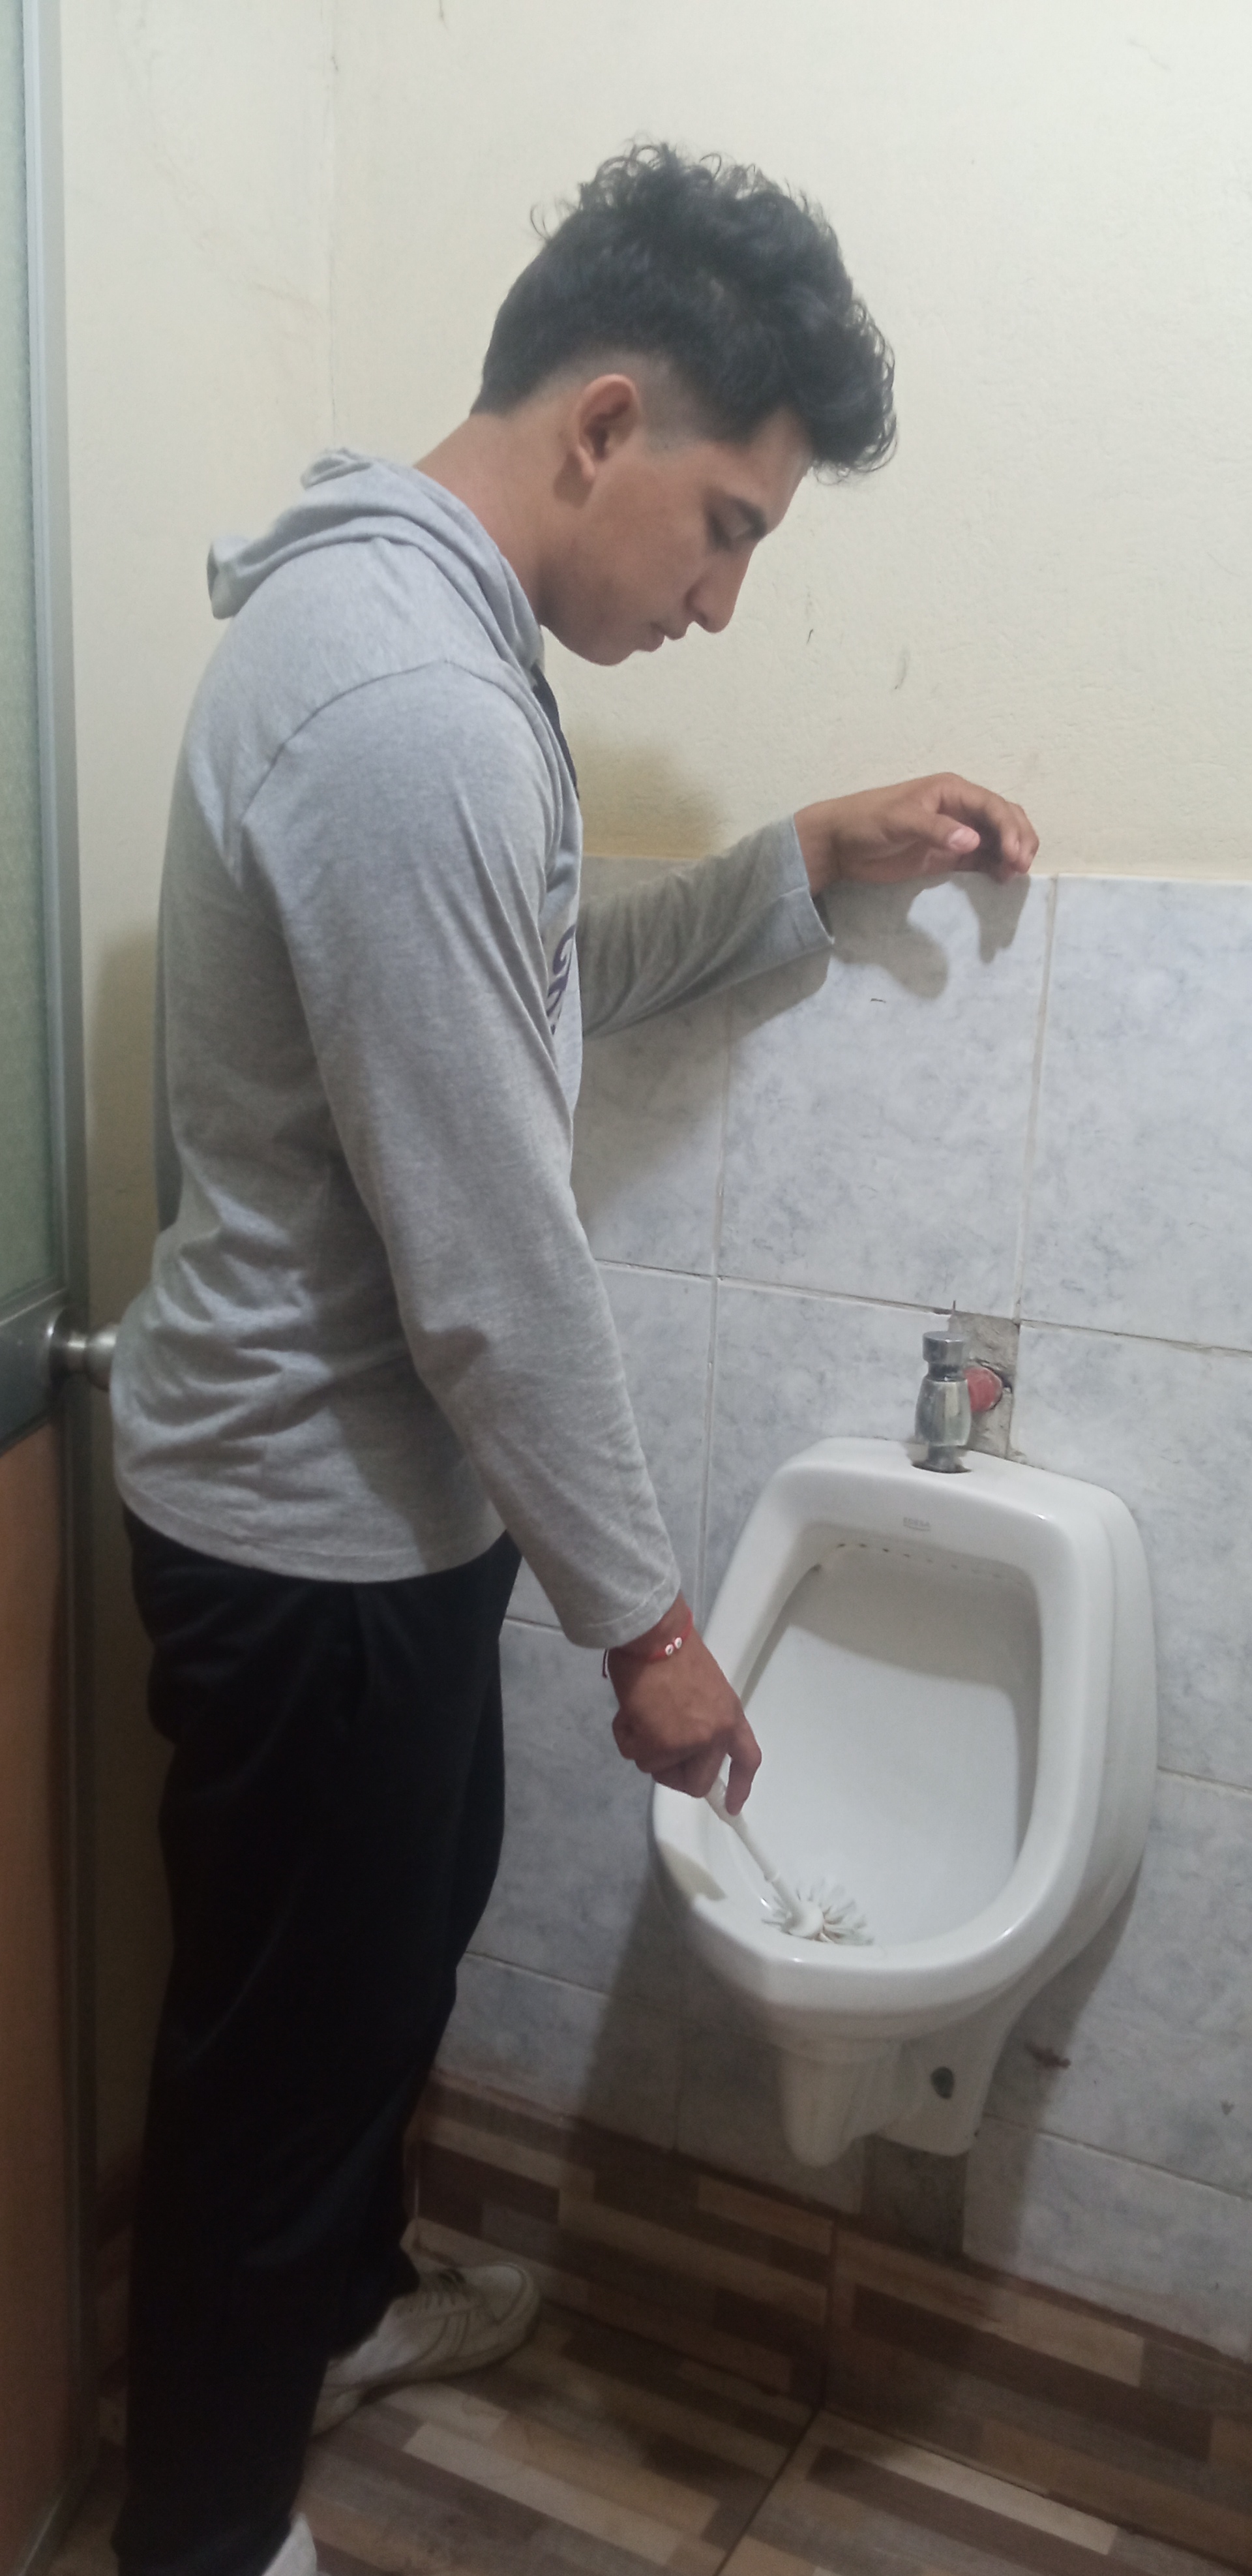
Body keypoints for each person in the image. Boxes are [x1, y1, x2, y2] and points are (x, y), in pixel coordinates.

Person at [108, 144, 1037, 2576]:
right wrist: (648, 1625)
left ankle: (338, 2313)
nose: (721, 603)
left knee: (365, 2001)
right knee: (276, 2081)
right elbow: (493, 1263)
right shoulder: (411, 699)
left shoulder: (418, 644)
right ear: (607, 421)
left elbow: (524, 983)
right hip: (304, 1537)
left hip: (363, 1517)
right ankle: (207, 2533)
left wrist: (790, 866)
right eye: (728, 528)